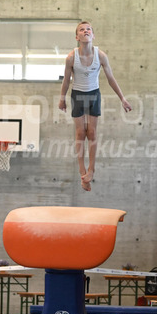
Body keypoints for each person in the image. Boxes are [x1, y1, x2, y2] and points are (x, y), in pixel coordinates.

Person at [58, 21, 132, 191]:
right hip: (77, 95)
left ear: (93, 35)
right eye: (82, 30)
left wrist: (122, 98)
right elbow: (66, 80)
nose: (86, 31)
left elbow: (111, 78)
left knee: (91, 132)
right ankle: (82, 171)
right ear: (77, 37)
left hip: (93, 95)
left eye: (88, 29)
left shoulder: (101, 56)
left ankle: (91, 169)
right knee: (80, 133)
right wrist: (62, 99)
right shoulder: (71, 58)